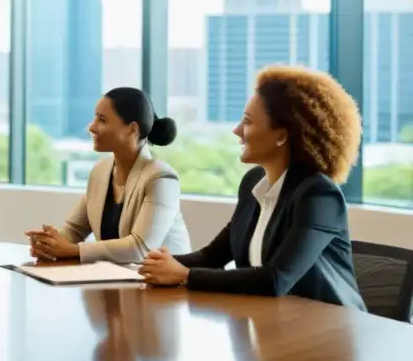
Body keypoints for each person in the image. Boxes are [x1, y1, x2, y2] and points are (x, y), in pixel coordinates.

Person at [140, 66, 366, 309]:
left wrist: (184, 275)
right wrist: (154, 264)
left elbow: (275, 279)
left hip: (329, 330)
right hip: (274, 323)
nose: (237, 131)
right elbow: (212, 256)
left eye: (247, 122)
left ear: (281, 136)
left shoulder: (319, 196)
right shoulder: (253, 183)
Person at [25, 87, 190, 264]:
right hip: (118, 283)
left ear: (132, 129)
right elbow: (74, 229)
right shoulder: (101, 171)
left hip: (166, 288)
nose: (92, 127)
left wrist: (72, 250)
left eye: (102, 120)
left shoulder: (162, 178)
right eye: (95, 118)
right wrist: (49, 243)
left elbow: (139, 249)